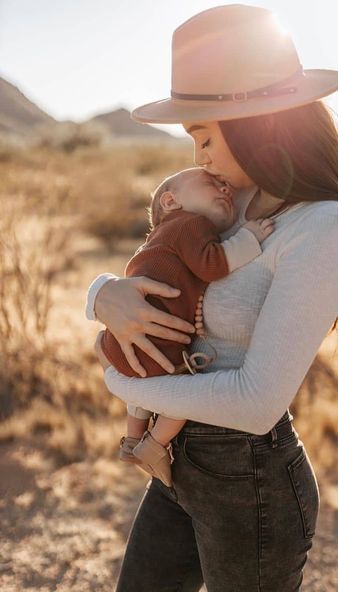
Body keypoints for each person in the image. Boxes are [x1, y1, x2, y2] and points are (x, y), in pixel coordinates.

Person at [88, 5, 338, 591]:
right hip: (181, 466)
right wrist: (102, 294)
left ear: (257, 121)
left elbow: (257, 403)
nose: (198, 155)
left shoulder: (323, 228)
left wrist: (122, 385)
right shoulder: (237, 203)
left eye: (204, 135)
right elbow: (159, 267)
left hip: (250, 477)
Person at [100, 166, 275, 486]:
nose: (225, 190)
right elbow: (212, 264)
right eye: (211, 182)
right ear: (170, 201)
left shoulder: (162, 236)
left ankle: (131, 438)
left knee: (141, 379)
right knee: (181, 393)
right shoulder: (190, 225)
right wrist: (250, 237)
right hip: (157, 348)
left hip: (123, 344)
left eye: (227, 189)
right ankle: (154, 445)